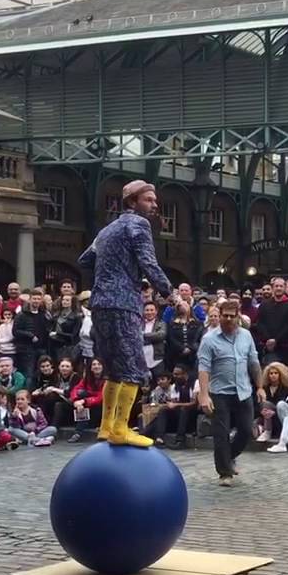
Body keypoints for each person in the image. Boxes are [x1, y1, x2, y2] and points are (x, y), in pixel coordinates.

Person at [78, 179, 173, 447]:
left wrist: (110, 268)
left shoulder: (108, 231)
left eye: (154, 200)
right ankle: (121, 429)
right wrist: (171, 295)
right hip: (124, 304)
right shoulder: (138, 225)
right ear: (132, 202)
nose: (154, 205)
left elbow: (85, 260)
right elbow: (148, 264)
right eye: (149, 200)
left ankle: (106, 427)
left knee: (113, 370)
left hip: (100, 303)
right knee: (133, 369)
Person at [198, 300, 261, 487]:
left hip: (243, 390)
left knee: (246, 430)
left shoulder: (246, 336)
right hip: (219, 392)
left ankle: (229, 456)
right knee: (221, 433)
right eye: (224, 315)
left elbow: (254, 363)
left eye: (232, 316)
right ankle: (225, 472)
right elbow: (203, 368)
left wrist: (260, 387)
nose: (228, 319)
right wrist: (204, 394)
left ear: (238, 315)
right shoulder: (209, 339)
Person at [68, 359, 106, 443]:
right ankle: (78, 432)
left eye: (99, 364)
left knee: (85, 397)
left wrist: (84, 401)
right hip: (89, 405)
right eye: (94, 365)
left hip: (101, 406)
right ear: (91, 368)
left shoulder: (107, 380)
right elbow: (75, 389)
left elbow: (101, 396)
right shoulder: (87, 379)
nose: (96, 366)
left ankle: (79, 432)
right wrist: (76, 401)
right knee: (80, 394)